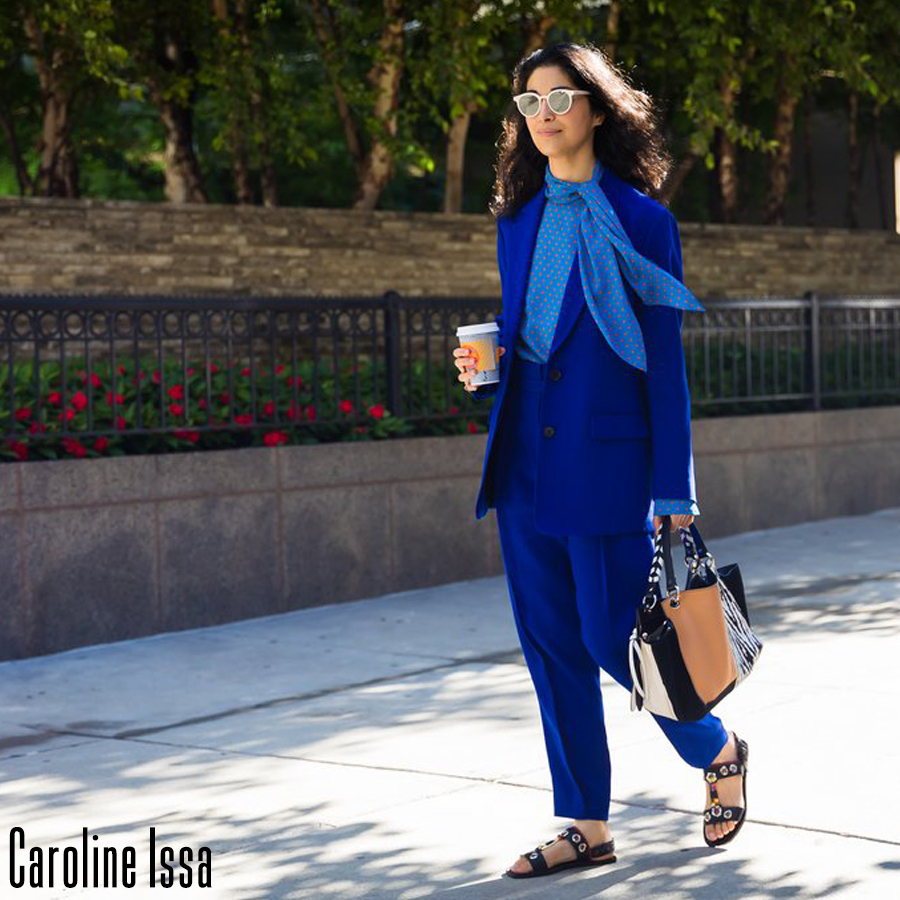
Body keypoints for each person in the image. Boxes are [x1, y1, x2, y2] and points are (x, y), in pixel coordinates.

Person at [452, 42, 748, 878]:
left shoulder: (646, 223)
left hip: (611, 470)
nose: (542, 116)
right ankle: (585, 821)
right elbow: (529, 340)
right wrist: (491, 366)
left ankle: (718, 748)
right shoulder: (517, 219)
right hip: (524, 464)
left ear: (597, 108)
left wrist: (673, 491)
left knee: (615, 637)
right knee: (549, 644)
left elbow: (665, 368)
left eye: (559, 98)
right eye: (528, 104)